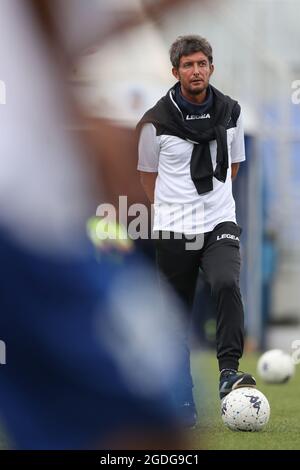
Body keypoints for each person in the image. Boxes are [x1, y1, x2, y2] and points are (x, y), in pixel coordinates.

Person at [137, 35, 256, 427]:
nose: (196, 71)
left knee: (225, 281)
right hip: (174, 227)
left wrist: (213, 203)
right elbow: (146, 176)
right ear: (175, 72)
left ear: (211, 67)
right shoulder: (155, 122)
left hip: (219, 219)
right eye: (188, 65)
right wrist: (175, 209)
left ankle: (228, 371)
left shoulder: (230, 112)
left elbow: (233, 167)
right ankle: (181, 399)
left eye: (202, 63)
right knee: (174, 316)